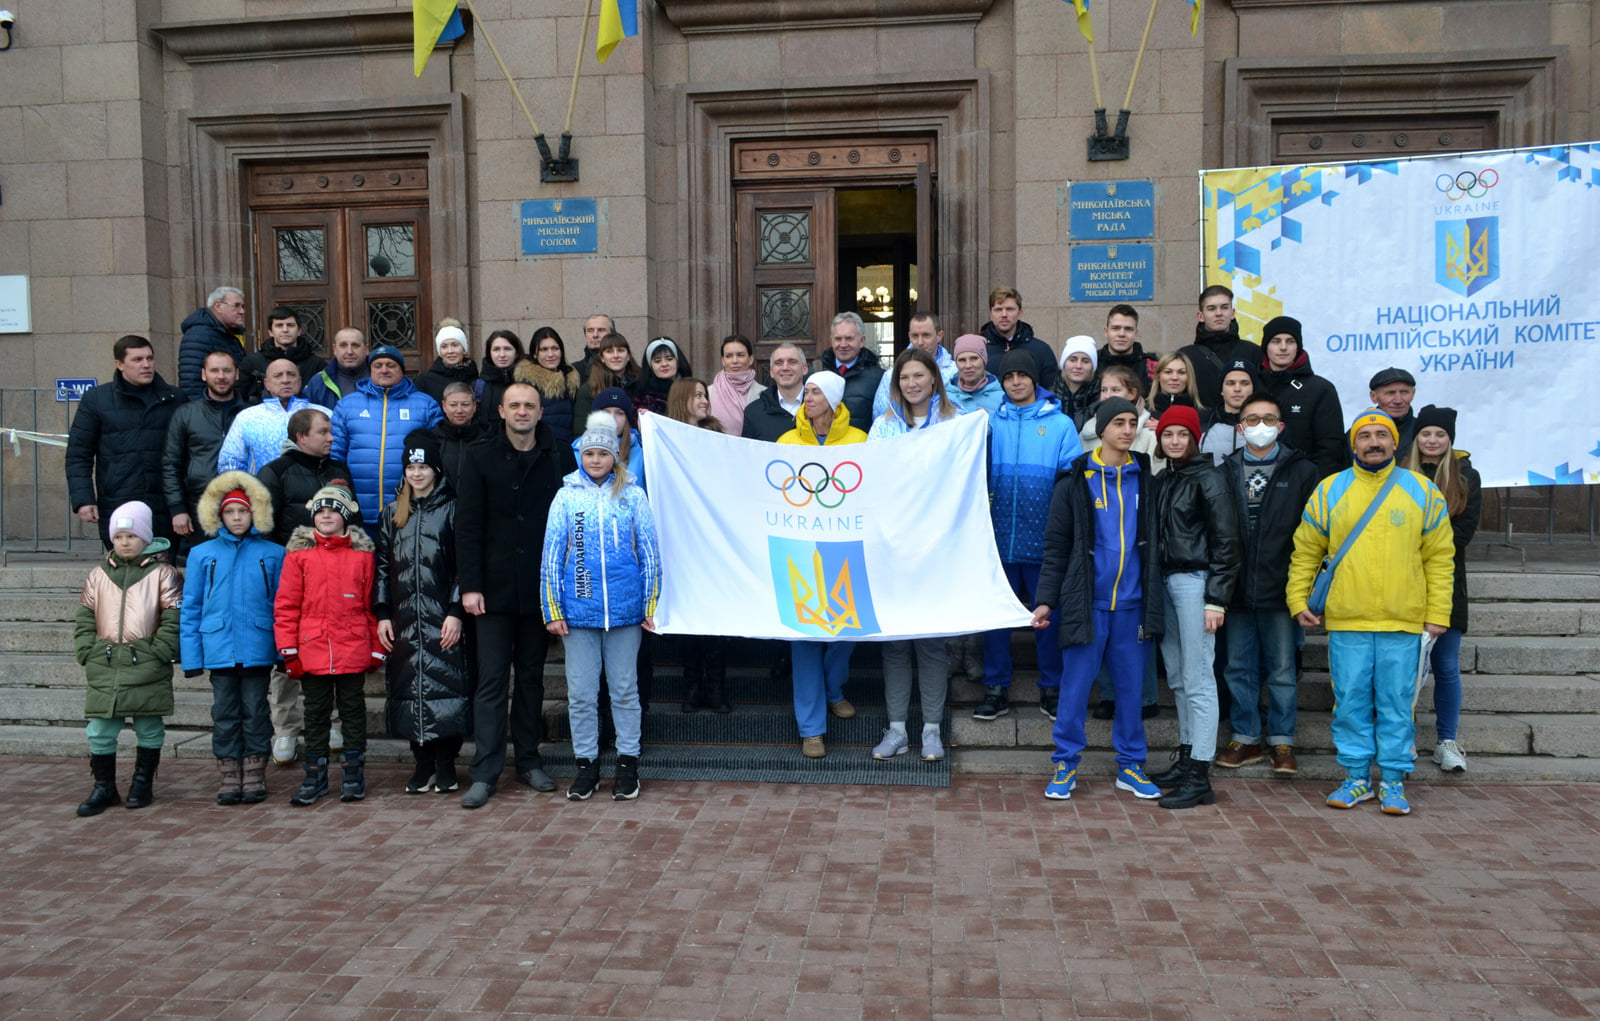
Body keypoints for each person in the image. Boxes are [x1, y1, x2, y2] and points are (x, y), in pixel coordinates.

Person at [1287, 408, 1454, 816]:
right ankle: (1356, 778)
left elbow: (1440, 558)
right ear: (1353, 444)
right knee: (1350, 702)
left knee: (1398, 703)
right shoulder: (1331, 490)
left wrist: (1438, 613)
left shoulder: (1423, 491)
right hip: (1348, 619)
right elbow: (1306, 550)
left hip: (1403, 620)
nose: (1374, 442)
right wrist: (1297, 600)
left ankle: (1394, 781)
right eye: (1365, 436)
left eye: (1382, 435)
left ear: (1396, 443)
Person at [1033, 398, 1165, 802]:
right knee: (1074, 689)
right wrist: (1045, 601)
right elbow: (1056, 549)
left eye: (1132, 423)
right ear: (1101, 429)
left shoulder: (1147, 480)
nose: (1127, 430)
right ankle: (1065, 763)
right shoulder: (1073, 482)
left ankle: (1130, 766)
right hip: (1086, 605)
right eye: (1119, 424)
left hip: (1133, 606)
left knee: (1130, 690)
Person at [455, 381, 574, 808]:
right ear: (502, 411)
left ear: (540, 412)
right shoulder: (480, 455)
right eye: (515, 405)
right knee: (490, 682)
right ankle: (485, 771)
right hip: (492, 588)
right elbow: (466, 526)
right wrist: (469, 585)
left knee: (530, 679)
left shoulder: (558, 454)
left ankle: (528, 760)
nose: (522, 412)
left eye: (530, 405)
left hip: (539, 587)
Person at [543, 413, 662, 801]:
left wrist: (651, 602)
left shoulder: (633, 495)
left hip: (626, 613)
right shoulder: (566, 496)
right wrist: (552, 608)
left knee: (625, 691)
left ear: (614, 456)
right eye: (589, 453)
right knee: (581, 694)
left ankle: (628, 764)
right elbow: (552, 555)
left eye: (603, 453)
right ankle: (586, 766)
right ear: (581, 455)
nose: (595, 460)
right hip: (578, 615)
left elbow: (648, 551)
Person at [1215, 392, 1320, 775]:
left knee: (1281, 669)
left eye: (1269, 419)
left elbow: (1313, 535)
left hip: (1282, 590)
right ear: (1240, 428)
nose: (1261, 427)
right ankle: (1245, 737)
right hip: (1238, 588)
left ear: (1281, 425)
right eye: (1252, 420)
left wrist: (1302, 588)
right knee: (1238, 667)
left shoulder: (1303, 472)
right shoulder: (1223, 471)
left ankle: (1281, 741)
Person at [866, 349, 963, 762]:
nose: (911, 383)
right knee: (895, 644)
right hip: (893, 548)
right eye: (904, 377)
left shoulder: (956, 423)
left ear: (934, 379)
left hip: (938, 550)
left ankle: (932, 731)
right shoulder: (883, 427)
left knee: (931, 643)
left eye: (919, 375)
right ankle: (897, 730)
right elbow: (869, 481)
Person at [976, 349, 1084, 722]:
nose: (1016, 381)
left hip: (1044, 542)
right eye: (1009, 377)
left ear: (1035, 379)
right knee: (996, 620)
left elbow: (1070, 483)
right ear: (1001, 382)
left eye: (1023, 375)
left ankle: (1052, 688)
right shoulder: (988, 423)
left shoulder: (1060, 425)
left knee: (1045, 621)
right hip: (998, 539)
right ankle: (995, 688)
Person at [1145, 404, 1240, 810]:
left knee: (1199, 675)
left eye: (1183, 434)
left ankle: (1200, 773)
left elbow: (1227, 542)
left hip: (1195, 583)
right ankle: (1186, 757)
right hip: (1166, 582)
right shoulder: (1165, 478)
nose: (1175, 441)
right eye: (1168, 435)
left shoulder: (1209, 478)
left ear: (1195, 438)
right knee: (1180, 677)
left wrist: (1216, 598)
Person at [275, 482, 384, 806]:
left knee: (353, 711)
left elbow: (372, 605)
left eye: (332, 511)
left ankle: (353, 774)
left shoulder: (362, 556)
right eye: (319, 511)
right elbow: (286, 606)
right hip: (313, 649)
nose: (325, 516)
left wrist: (377, 646)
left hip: (352, 646)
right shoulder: (299, 556)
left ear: (344, 516)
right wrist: (289, 651)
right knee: (316, 712)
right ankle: (315, 775)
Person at [375, 431, 471, 795]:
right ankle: (422, 762)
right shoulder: (392, 512)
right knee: (409, 687)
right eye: (411, 467)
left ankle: (446, 763)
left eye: (423, 467)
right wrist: (383, 611)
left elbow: (464, 564)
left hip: (443, 616)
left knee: (445, 687)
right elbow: (382, 564)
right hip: (403, 618)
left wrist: (455, 609)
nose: (417, 474)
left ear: (435, 469)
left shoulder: (453, 507)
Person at [72, 501, 182, 816]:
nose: (124, 542)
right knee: (100, 729)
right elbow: (84, 617)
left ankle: (142, 781)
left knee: (149, 725)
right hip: (105, 664)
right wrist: (86, 649)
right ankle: (104, 786)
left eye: (131, 536)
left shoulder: (164, 574)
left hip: (146, 663)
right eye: (118, 536)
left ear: (146, 538)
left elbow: (174, 619)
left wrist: (159, 650)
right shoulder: (97, 575)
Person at [256, 408, 354, 764]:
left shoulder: (338, 471)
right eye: (324, 432)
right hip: (293, 577)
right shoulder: (275, 472)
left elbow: (349, 520)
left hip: (336, 575)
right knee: (288, 655)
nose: (331, 437)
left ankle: (334, 722)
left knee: (333, 647)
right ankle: (285, 728)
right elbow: (263, 526)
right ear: (301, 436)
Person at [180, 471, 284, 806]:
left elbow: (282, 604)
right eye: (230, 512)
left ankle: (255, 765)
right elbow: (192, 606)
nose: (237, 518)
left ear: (254, 513)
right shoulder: (202, 554)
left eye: (243, 511)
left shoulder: (272, 553)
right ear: (218, 515)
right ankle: (228, 768)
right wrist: (192, 656)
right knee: (224, 711)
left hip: (257, 645)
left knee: (255, 709)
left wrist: (283, 650)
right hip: (219, 646)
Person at [778, 371, 867, 757]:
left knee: (846, 631)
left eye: (815, 391)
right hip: (797, 549)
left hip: (846, 547)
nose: (807, 397)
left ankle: (834, 689)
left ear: (832, 399)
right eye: (806, 391)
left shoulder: (860, 441)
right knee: (805, 641)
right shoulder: (785, 441)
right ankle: (811, 729)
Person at [1401, 405, 1481, 773]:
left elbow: (1461, 534)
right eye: (1426, 434)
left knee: (1445, 665)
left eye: (1441, 435)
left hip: (1448, 582)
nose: (1433, 440)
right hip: (1403, 581)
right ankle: (1405, 737)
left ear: (1450, 440)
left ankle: (1447, 740)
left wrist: (1418, 541)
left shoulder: (1466, 477)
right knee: (1405, 667)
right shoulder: (1400, 473)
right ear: (1417, 438)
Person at [66, 335, 187, 551]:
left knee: (162, 575)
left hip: (164, 505)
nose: (146, 365)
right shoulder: (96, 400)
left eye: (150, 358)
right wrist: (83, 499)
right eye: (137, 359)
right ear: (119, 364)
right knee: (124, 575)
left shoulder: (174, 398)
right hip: (118, 502)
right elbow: (78, 455)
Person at [666, 378, 732, 712]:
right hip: (682, 538)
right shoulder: (665, 440)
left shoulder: (717, 435)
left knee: (715, 613)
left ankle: (717, 688)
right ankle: (692, 686)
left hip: (713, 538)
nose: (704, 401)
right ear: (682, 400)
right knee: (689, 615)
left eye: (705, 395)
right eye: (697, 396)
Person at [330, 345, 443, 529]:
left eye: (391, 365)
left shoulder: (425, 405)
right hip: (359, 512)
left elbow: (437, 456)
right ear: (370, 370)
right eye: (378, 365)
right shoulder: (348, 405)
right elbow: (335, 455)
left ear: (401, 370)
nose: (384, 370)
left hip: (407, 513)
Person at [162, 349, 245, 555]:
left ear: (236, 374)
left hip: (244, 505)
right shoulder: (186, 414)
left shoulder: (252, 413)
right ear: (203, 374)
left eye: (226, 370)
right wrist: (178, 509)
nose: (221, 376)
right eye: (214, 370)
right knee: (208, 567)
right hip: (200, 506)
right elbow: (171, 464)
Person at [1256, 315, 1347, 477]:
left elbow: (1330, 448)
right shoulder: (1251, 386)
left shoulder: (1320, 389)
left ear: (1298, 346)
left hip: (1305, 484)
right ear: (1266, 346)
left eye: (1290, 341)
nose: (1283, 347)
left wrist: (1315, 485)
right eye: (1276, 341)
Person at [217, 359, 329, 474]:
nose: (285, 380)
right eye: (278, 376)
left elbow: (336, 457)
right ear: (267, 384)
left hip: (313, 490)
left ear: (300, 381)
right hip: (261, 490)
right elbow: (230, 461)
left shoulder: (324, 414)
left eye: (291, 374)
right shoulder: (247, 418)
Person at [1176, 285, 1263, 408]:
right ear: (1200, 316)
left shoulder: (1253, 352)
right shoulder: (1186, 356)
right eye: (1211, 309)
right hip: (1201, 425)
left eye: (1224, 307)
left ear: (1232, 313)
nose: (1219, 313)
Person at [871, 313, 957, 420]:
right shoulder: (891, 375)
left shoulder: (955, 372)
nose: (920, 342)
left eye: (926, 335)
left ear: (939, 336)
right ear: (909, 336)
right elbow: (882, 416)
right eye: (915, 336)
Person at [238, 307, 325, 404]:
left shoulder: (317, 365)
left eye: (290, 325)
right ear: (270, 332)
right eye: (279, 325)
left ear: (299, 330)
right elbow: (241, 398)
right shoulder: (251, 363)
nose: (285, 330)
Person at [981, 286, 1059, 390]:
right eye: (998, 310)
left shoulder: (1042, 350)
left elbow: (1051, 391)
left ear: (1020, 313)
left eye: (1010, 309)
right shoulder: (980, 350)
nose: (1004, 315)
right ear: (991, 314)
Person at [178, 286, 247, 401]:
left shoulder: (229, 334)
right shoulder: (199, 334)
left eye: (243, 306)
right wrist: (203, 415)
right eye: (236, 306)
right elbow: (191, 381)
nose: (242, 312)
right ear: (218, 306)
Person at [515, 327, 582, 444]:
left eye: (555, 348)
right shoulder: (528, 384)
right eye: (544, 349)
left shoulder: (571, 379)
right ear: (535, 354)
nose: (550, 354)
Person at [819, 312, 884, 427]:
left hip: (861, 443)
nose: (843, 345)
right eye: (838, 339)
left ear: (862, 340)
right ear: (831, 341)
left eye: (849, 339)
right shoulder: (816, 372)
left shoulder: (878, 377)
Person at [741, 343, 809, 442]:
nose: (785, 367)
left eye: (792, 362)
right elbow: (747, 454)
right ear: (772, 372)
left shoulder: (822, 407)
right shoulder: (754, 412)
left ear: (804, 369)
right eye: (779, 363)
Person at [574, 332, 640, 424]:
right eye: (609, 351)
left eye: (620, 350)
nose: (616, 356)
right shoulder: (589, 388)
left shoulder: (641, 384)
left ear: (628, 356)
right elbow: (582, 428)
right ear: (602, 357)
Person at [709, 334, 765, 437]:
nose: (735, 361)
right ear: (723, 360)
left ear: (751, 359)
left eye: (740, 355)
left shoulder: (764, 394)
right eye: (729, 356)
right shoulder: (709, 393)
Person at [1199, 359, 1256, 462]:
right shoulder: (1203, 426)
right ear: (1222, 390)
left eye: (1244, 383)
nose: (1237, 389)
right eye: (1230, 383)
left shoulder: (1266, 426)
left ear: (1253, 389)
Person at [1098, 304, 1158, 395]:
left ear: (1136, 333)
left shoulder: (1151, 366)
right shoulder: (1092, 364)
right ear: (1106, 332)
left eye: (1128, 329)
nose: (1121, 334)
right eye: (1115, 328)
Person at [433, 381, 486, 485]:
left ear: (474, 406)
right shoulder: (433, 440)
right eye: (453, 405)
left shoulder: (486, 440)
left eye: (465, 404)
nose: (459, 410)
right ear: (444, 406)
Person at [304, 328, 370, 409]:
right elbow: (306, 417)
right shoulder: (319, 382)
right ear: (335, 349)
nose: (349, 352)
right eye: (343, 346)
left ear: (366, 349)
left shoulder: (381, 378)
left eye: (355, 345)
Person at [416, 319, 479, 403]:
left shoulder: (476, 379)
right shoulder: (425, 381)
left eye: (455, 345)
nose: (450, 351)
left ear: (464, 349)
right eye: (444, 346)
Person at [474, 329, 525, 430]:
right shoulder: (479, 386)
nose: (502, 355)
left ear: (516, 352)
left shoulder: (528, 383)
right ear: (489, 353)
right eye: (496, 349)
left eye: (507, 349)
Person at [946, 333, 1004, 416]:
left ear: (984, 360)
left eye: (974, 358)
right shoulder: (944, 398)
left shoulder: (1002, 397)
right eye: (962, 360)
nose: (968, 365)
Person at [634, 336, 693, 415]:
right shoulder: (644, 397)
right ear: (650, 366)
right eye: (657, 361)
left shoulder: (692, 389)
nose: (664, 364)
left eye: (669, 359)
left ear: (677, 361)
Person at [1051, 335, 1100, 429]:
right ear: (1064, 363)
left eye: (1085, 361)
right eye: (1073, 360)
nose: (1078, 366)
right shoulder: (1049, 395)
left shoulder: (1100, 398)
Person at [1369, 367, 1418, 457]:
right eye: (1390, 393)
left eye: (1404, 392)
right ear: (1373, 396)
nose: (1398, 400)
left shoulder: (1424, 433)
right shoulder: (1359, 434)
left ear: (1413, 393)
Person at [572, 313, 614, 382]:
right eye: (590, 330)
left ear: (612, 334)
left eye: (601, 330)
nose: (595, 335)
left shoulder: (629, 370)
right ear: (585, 335)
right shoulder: (574, 371)